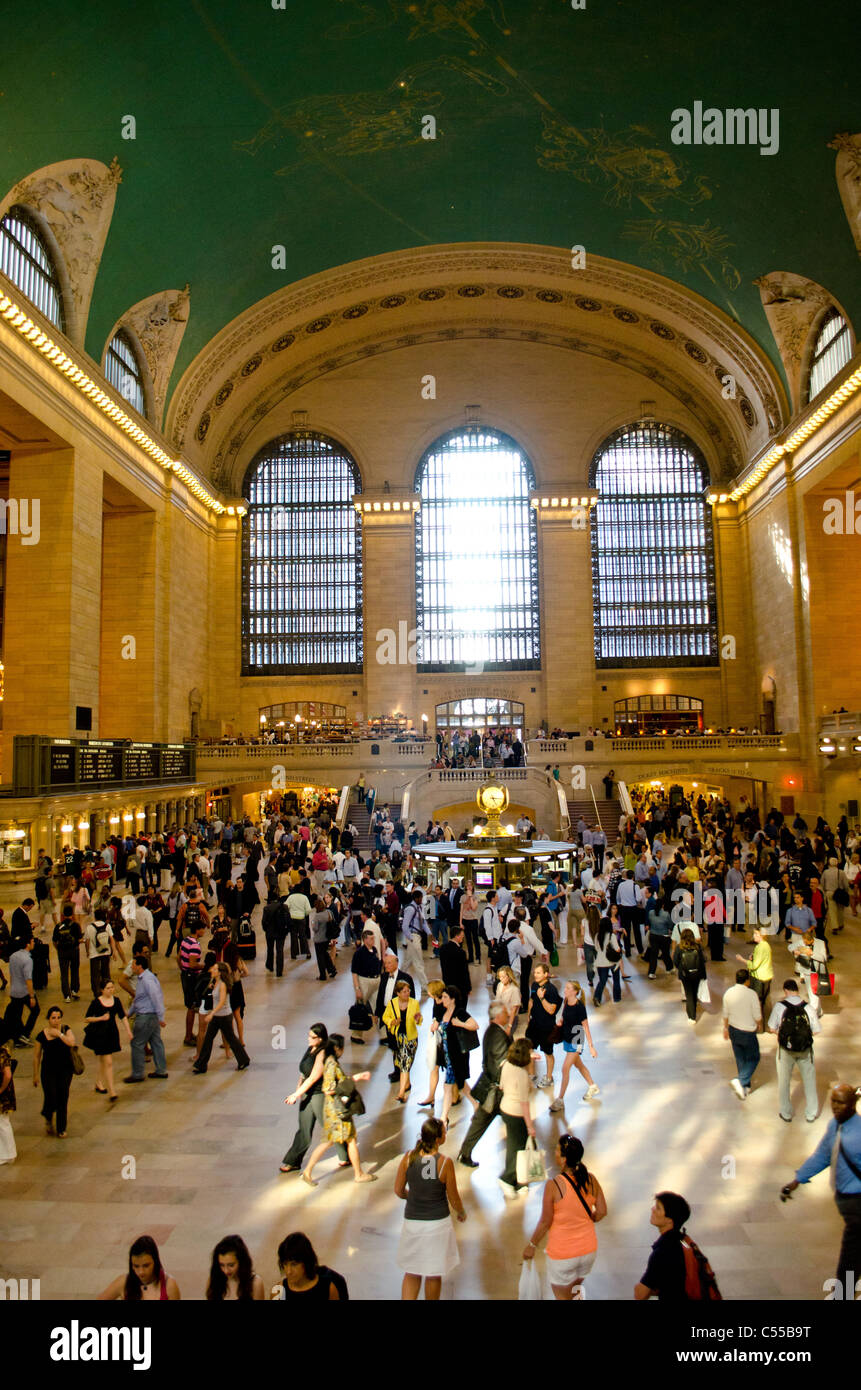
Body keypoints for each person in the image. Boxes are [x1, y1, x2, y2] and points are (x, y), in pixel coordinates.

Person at [781, 1082, 861, 1288]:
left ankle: (843, 1289)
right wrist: (797, 1180)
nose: (835, 1106)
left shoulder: (859, 1135)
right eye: (833, 1101)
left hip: (857, 1202)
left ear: (852, 1105)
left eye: (840, 1103)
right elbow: (823, 1155)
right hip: (845, 1197)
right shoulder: (835, 1126)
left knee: (851, 1249)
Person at [523, 1134, 607, 1299]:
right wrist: (591, 1218)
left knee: (562, 1296)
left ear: (563, 1158)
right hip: (588, 1250)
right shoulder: (591, 1179)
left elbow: (546, 1221)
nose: (553, 1152)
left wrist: (532, 1245)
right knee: (575, 1293)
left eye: (557, 1149)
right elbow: (602, 1211)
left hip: (563, 1255)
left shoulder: (554, 1186)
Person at [395, 1117, 466, 1299]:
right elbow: (453, 1195)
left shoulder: (408, 1157)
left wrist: (411, 1196)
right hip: (437, 1224)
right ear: (437, 1139)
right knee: (433, 1273)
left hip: (413, 1222)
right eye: (444, 1132)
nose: (446, 1134)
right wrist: (461, 1211)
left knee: (412, 1271)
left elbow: (398, 1190)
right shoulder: (444, 1163)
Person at [301, 1035, 376, 1186]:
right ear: (337, 1048)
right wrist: (354, 1079)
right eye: (342, 1048)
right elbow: (328, 1088)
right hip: (338, 1112)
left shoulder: (329, 1061)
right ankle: (358, 1174)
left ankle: (308, 1171)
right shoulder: (332, 1064)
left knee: (331, 1141)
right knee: (351, 1139)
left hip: (332, 1111)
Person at [280, 1023, 348, 1173]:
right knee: (304, 1129)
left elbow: (313, 1078)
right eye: (309, 1036)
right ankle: (292, 1161)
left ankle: (345, 1155)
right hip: (306, 1093)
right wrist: (298, 1089)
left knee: (330, 1126)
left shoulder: (323, 1053)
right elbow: (303, 1073)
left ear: (321, 1038)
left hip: (319, 1095)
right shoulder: (310, 1049)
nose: (309, 1039)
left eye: (313, 1037)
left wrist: (295, 1095)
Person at [457, 1001, 512, 1167]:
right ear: (498, 1016)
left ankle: (465, 1153)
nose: (508, 1015)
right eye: (505, 1013)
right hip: (498, 1091)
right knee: (518, 1124)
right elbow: (500, 1063)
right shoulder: (497, 1035)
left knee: (481, 1120)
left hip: (493, 1089)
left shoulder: (493, 1031)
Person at [767, 978, 821, 1123]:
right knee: (809, 1081)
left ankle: (786, 1113)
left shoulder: (780, 1007)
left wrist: (784, 1036)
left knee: (784, 1082)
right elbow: (816, 1031)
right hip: (805, 1050)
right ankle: (811, 1114)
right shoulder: (808, 1007)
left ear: (786, 991)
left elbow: (772, 1028)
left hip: (785, 1051)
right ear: (797, 990)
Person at [634, 1192, 696, 1300]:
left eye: (658, 1208)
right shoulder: (682, 1241)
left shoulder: (662, 1251)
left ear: (669, 1220)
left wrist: (639, 1288)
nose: (652, 1209)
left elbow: (640, 1295)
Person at [193, 962, 251, 1073]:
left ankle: (243, 1060)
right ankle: (201, 1065)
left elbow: (222, 1001)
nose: (211, 970)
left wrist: (211, 1013)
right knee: (208, 1040)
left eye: (214, 969)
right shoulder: (215, 982)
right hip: (217, 1017)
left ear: (219, 972)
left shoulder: (223, 984)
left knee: (231, 1039)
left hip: (224, 1017)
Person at [551, 980, 599, 1112]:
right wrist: (560, 1022)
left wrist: (591, 1047)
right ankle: (592, 1085)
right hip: (567, 1038)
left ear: (575, 992)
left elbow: (586, 1027)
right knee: (579, 1065)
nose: (564, 990)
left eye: (567, 988)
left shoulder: (580, 1007)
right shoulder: (566, 1002)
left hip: (577, 1040)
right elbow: (564, 1017)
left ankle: (560, 1099)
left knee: (565, 1068)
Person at [499, 1036, 536, 1196]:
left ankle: (519, 1182)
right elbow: (524, 1103)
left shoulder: (506, 1064)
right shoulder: (521, 1074)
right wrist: (530, 1126)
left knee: (515, 1146)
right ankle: (507, 1179)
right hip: (516, 1114)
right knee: (517, 1148)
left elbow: (501, 1086)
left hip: (505, 1108)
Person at [437, 985, 479, 1126]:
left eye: (445, 997)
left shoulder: (459, 1013)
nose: (442, 1000)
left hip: (457, 1056)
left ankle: (443, 1118)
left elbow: (474, 1025)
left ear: (452, 999)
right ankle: (476, 1106)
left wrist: (460, 1024)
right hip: (448, 1056)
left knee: (448, 1087)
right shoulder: (443, 1012)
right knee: (461, 1085)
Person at [83, 979, 131, 1100]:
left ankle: (99, 1082)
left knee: (102, 1060)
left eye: (112, 987)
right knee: (108, 1062)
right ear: (102, 990)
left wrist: (129, 1031)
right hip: (99, 1035)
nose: (111, 990)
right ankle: (112, 1091)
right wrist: (100, 1018)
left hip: (111, 1033)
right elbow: (87, 1018)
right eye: (108, 988)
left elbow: (122, 1017)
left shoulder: (116, 1001)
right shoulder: (96, 1002)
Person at [33, 1005, 77, 1137]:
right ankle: (48, 1116)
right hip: (48, 1071)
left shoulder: (65, 1029)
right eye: (53, 1018)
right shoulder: (41, 1035)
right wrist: (35, 1075)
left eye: (58, 1018)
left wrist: (59, 1034)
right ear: (48, 1019)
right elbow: (36, 1057)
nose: (56, 1020)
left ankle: (61, 1128)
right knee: (51, 1096)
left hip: (65, 1070)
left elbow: (72, 1042)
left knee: (63, 1097)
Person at [123, 956, 168, 1083]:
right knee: (156, 1042)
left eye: (133, 964)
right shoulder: (144, 978)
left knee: (137, 1044)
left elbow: (156, 998)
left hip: (146, 1017)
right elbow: (138, 998)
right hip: (151, 1017)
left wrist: (161, 1016)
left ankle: (137, 1074)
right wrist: (129, 1013)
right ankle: (161, 1070)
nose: (132, 967)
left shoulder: (147, 980)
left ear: (139, 966)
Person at [98, 1235, 181, 1300]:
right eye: (136, 1266)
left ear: (155, 1262)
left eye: (146, 1265)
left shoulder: (169, 1285)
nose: (141, 1271)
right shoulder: (123, 1282)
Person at [721, 968, 762, 1101]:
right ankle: (741, 1080)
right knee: (754, 1057)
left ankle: (745, 1086)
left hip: (733, 1029)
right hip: (747, 1031)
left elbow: (725, 1014)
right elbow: (757, 1015)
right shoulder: (752, 994)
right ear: (747, 981)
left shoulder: (728, 993)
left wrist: (725, 1028)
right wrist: (759, 1023)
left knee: (740, 1058)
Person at [382, 979, 423, 1103]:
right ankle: (407, 1083)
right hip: (397, 1037)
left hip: (410, 1038)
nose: (407, 993)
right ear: (398, 993)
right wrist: (392, 1022)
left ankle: (401, 1093)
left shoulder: (414, 1003)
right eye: (404, 991)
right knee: (402, 1062)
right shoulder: (392, 1003)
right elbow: (385, 1017)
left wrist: (418, 1019)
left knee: (405, 1064)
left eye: (408, 991)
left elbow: (419, 1021)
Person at [273, 1232, 345, 1300]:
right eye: (285, 1264)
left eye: (294, 1264)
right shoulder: (278, 1291)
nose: (288, 1271)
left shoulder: (328, 1288)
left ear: (306, 1262)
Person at [525, 960, 562, 1089]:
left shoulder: (551, 990)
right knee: (529, 1048)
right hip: (534, 1024)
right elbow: (531, 1001)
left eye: (539, 973)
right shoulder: (534, 985)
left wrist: (542, 998)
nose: (535, 975)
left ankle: (549, 1077)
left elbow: (551, 1010)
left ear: (546, 974)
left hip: (546, 1026)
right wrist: (528, 1016)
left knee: (548, 1052)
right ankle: (531, 1074)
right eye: (535, 972)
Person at [3, 935, 39, 1047]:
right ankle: (24, 1034)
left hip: (14, 990)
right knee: (35, 1010)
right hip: (24, 992)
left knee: (16, 1015)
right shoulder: (27, 960)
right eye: (32, 941)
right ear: (27, 944)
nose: (34, 943)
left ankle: (19, 1036)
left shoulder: (13, 956)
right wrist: (32, 996)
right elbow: (28, 979)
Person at [205, 1235, 266, 1299]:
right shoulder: (213, 1280)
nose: (226, 1270)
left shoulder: (255, 1283)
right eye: (222, 1265)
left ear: (241, 1262)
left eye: (231, 1265)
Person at [736, 926, 773, 1016]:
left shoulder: (760, 947)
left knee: (755, 999)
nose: (754, 936)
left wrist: (742, 960)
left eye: (756, 934)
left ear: (761, 936)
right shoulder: (765, 945)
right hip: (766, 975)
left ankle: (754, 1016)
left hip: (759, 978)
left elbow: (754, 966)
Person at [673, 927, 707, 1024]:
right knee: (694, 993)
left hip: (685, 975)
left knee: (689, 994)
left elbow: (675, 961)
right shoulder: (698, 947)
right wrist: (704, 975)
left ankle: (691, 1017)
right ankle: (693, 1014)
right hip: (696, 974)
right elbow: (702, 961)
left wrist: (681, 968)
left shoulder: (679, 948)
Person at [52, 907, 82, 1001]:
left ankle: (67, 996)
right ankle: (74, 991)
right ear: (72, 914)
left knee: (64, 974)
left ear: (63, 915)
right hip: (74, 951)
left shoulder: (58, 926)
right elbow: (79, 939)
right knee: (75, 971)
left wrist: (58, 949)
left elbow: (54, 941)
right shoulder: (76, 925)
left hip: (62, 952)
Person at [592, 917, 622, 1007]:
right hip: (612, 961)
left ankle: (597, 997)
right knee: (616, 979)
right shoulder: (611, 936)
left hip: (600, 962)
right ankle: (617, 998)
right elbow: (617, 949)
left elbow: (596, 948)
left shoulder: (597, 935)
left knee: (602, 981)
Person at [84, 917, 114, 998]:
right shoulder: (107, 926)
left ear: (94, 917)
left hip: (94, 954)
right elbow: (111, 939)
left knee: (95, 975)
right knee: (106, 972)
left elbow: (86, 941)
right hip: (106, 952)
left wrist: (87, 951)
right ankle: (107, 990)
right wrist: (113, 951)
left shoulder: (89, 927)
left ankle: (96, 993)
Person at [439, 924, 471, 999]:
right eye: (462, 935)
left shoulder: (443, 948)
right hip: (460, 987)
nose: (463, 937)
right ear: (456, 936)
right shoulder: (461, 952)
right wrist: (468, 988)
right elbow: (465, 972)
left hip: (447, 984)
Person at [0, 1040, 15, 1164]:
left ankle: (9, 1154)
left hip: (2, 1093)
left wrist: (0, 1089)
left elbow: (8, 1075)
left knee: (3, 1122)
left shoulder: (2, 1052)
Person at [494, 965, 521, 1031]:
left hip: (510, 1019)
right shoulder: (500, 985)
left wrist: (509, 1026)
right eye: (500, 977)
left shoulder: (514, 989)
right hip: (500, 1017)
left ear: (509, 976)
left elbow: (514, 1010)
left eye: (503, 977)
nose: (501, 979)